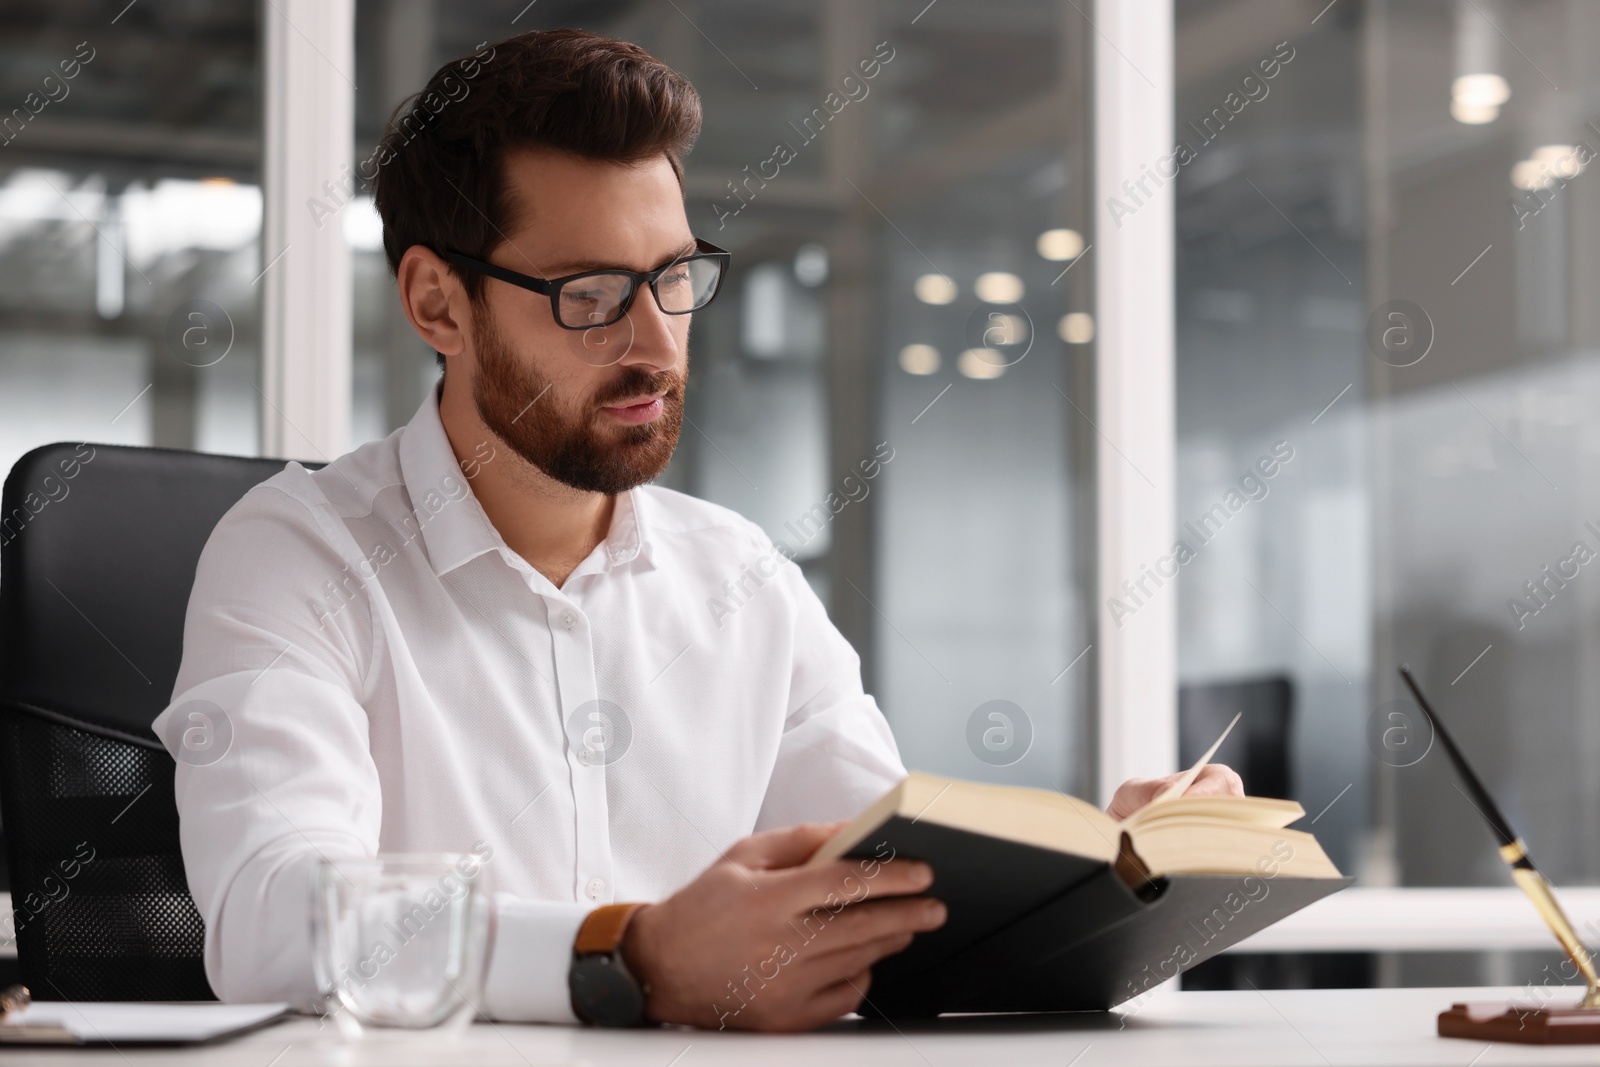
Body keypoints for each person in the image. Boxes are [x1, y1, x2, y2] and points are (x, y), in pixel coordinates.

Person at [153, 27, 1242, 1032]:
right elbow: (270, 915)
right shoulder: (297, 553)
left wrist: (1095, 873)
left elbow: (881, 879)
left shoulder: (741, 576)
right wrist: (626, 954)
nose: (656, 343)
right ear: (439, 304)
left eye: (673, 278)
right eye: (590, 292)